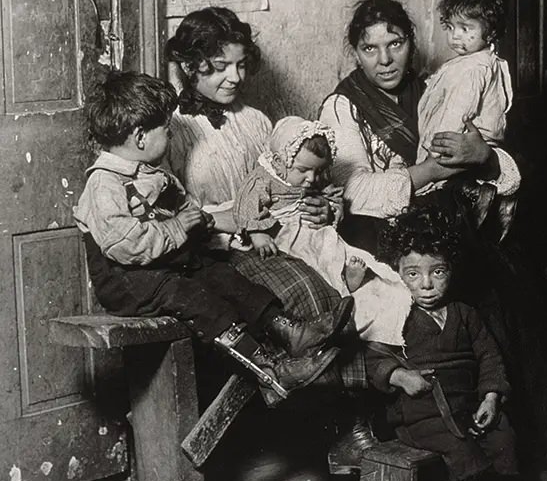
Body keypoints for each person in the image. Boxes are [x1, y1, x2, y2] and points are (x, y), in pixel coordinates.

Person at [319, 0, 547, 481]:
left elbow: (510, 168)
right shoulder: (343, 106)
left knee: (521, 307)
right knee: (469, 308)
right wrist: (437, 172)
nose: (385, 59)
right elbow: (356, 193)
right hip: (383, 245)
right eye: (370, 48)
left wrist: (485, 156)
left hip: (456, 235)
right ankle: (495, 479)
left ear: (412, 43)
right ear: (355, 52)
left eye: (395, 43)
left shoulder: (448, 82)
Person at [163, 7, 377, 473]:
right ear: (188, 65)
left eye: (241, 64)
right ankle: (346, 427)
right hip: (217, 252)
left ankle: (359, 423)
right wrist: (237, 223)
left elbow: (296, 181)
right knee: (307, 289)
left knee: (350, 285)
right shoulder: (172, 129)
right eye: (218, 68)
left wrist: (322, 206)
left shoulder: (259, 121)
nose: (234, 77)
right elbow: (176, 214)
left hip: (279, 237)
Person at [73, 71, 352, 403]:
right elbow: (125, 246)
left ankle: (289, 330)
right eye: (166, 129)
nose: (170, 135)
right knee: (196, 297)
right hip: (126, 280)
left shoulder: (153, 173)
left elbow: (193, 216)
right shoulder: (104, 184)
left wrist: (219, 222)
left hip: (160, 266)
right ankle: (270, 369)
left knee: (221, 274)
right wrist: (178, 226)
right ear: (140, 136)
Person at [370, 205, 529, 481]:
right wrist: (399, 375)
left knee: (502, 436)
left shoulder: (464, 313)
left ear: (451, 270)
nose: (426, 284)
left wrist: (490, 396)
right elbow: (372, 358)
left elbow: (489, 355)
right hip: (420, 412)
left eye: (438, 272)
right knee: (462, 447)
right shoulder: (395, 315)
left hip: (465, 403)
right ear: (395, 272)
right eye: (413, 274)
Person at [233, 115, 412, 346]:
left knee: (334, 248)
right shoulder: (263, 178)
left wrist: (330, 205)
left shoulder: (309, 177)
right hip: (284, 235)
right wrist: (258, 233)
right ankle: (341, 288)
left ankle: (347, 278)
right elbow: (245, 205)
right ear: (280, 160)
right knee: (312, 261)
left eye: (317, 172)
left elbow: (329, 192)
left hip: (312, 231)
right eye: (303, 170)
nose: (311, 179)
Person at [415, 0, 513, 213]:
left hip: (457, 155)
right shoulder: (480, 62)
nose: (455, 36)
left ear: (489, 33)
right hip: (474, 157)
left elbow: (457, 113)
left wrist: (432, 155)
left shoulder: (472, 69)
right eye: (450, 27)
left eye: (465, 28)